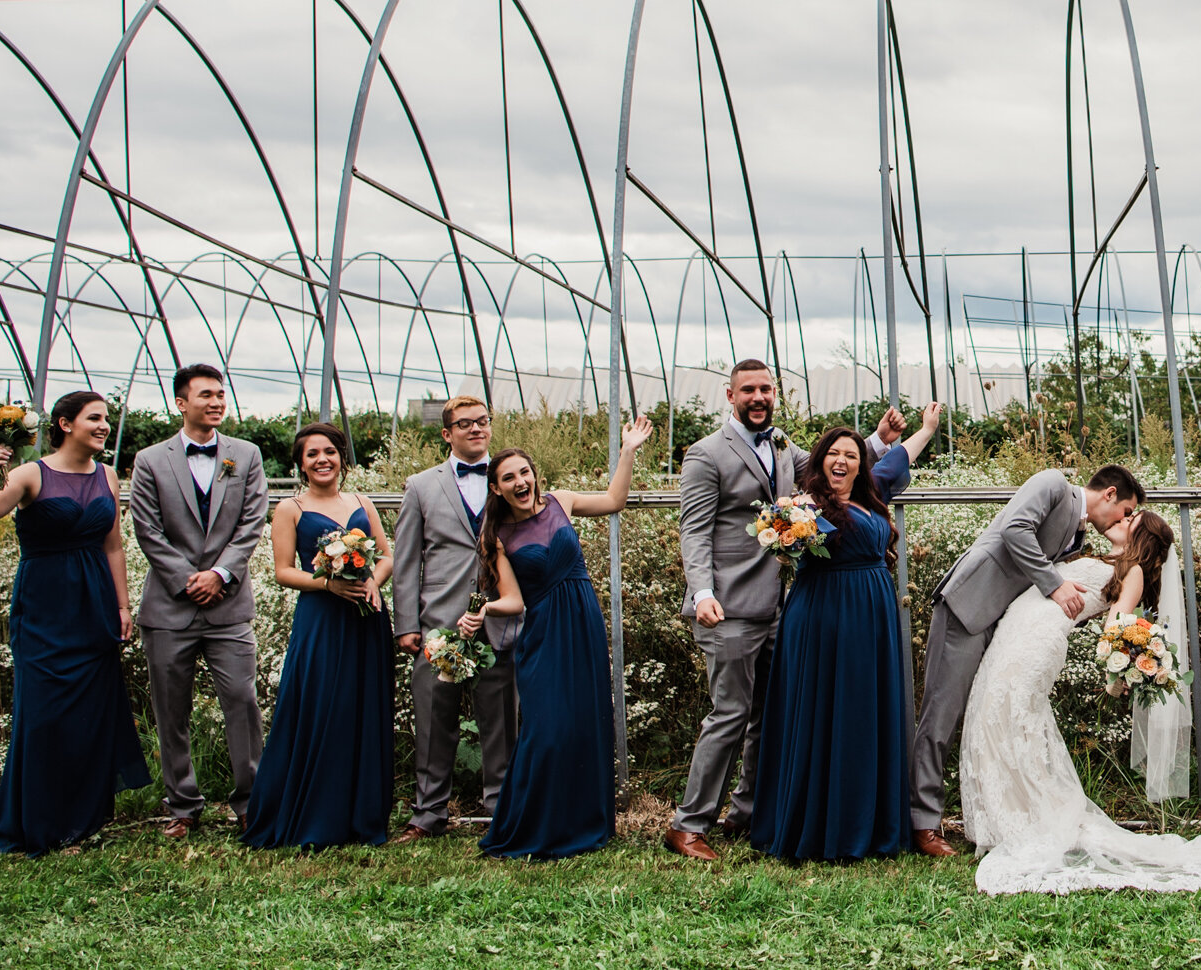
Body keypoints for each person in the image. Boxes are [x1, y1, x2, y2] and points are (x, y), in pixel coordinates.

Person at [670, 360, 940, 861]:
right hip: (728, 603)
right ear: (730, 395)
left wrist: (878, 440)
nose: (758, 397)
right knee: (729, 713)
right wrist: (702, 591)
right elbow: (694, 531)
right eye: (748, 389)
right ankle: (689, 824)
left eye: (766, 389)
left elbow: (834, 469)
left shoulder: (782, 446)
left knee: (771, 717)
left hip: (785, 605)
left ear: (775, 394)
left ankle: (749, 811)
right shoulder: (706, 454)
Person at [959, 508, 1201, 893]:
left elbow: (1116, 627)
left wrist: (1115, 674)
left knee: (1011, 720)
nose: (1119, 522)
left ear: (1141, 539)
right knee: (997, 717)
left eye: (1129, 522)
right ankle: (1015, 817)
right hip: (1020, 628)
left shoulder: (1134, 572)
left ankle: (1023, 822)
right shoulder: (1110, 560)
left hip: (1037, 640)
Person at [910, 462, 1143, 855]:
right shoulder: (1053, 483)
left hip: (1000, 623)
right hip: (969, 606)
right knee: (941, 714)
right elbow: (1015, 528)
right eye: (1126, 510)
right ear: (1109, 494)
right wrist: (1054, 586)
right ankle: (921, 822)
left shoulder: (1080, 532)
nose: (1125, 519)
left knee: (983, 714)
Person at [0, 390, 150, 854]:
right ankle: (37, 822)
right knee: (43, 718)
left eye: (106, 419)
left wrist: (123, 607)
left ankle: (79, 824)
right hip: (44, 607)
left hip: (95, 605)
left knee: (88, 717)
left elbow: (113, 545)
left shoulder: (107, 475)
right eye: (95, 418)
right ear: (65, 424)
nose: (105, 426)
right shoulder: (30, 474)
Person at [471, 417, 651, 860]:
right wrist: (486, 609)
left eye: (524, 472)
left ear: (535, 475)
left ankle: (584, 823)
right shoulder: (499, 537)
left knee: (584, 726)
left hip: (583, 626)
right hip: (545, 633)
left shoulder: (561, 502)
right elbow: (513, 600)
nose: (520, 481)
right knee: (546, 730)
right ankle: (533, 824)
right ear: (496, 489)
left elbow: (614, 500)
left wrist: (627, 449)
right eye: (508, 477)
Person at [748, 427, 915, 861]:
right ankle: (822, 825)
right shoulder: (805, 506)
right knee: (826, 712)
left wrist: (927, 429)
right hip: (826, 617)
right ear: (820, 459)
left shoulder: (871, 494)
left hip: (871, 619)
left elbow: (899, 458)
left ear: (863, 465)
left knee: (863, 712)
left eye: (852, 456)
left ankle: (868, 819)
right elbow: (791, 557)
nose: (841, 461)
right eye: (833, 454)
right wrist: (790, 533)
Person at [241, 423, 396, 849]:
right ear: (301, 463)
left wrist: (373, 582)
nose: (322, 460)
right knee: (321, 705)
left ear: (342, 458)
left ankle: (360, 815)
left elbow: (385, 556)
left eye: (330, 451)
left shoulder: (361, 501)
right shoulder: (289, 508)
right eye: (313, 454)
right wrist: (328, 583)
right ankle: (313, 813)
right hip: (322, 619)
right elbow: (283, 570)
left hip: (366, 616)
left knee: (361, 708)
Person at [130, 364, 269, 837]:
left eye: (220, 394)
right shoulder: (150, 460)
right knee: (172, 710)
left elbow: (252, 521)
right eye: (205, 395)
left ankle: (251, 801)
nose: (216, 402)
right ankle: (182, 806)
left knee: (242, 701)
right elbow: (147, 529)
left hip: (229, 607)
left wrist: (220, 575)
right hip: (170, 607)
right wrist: (189, 580)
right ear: (180, 403)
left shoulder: (245, 455)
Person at [388, 394, 519, 844]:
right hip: (438, 625)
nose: (476, 429)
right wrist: (407, 624)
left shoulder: (508, 479)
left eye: (482, 421)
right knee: (433, 721)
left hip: (498, 622)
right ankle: (428, 812)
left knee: (499, 721)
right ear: (447, 433)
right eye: (465, 424)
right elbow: (405, 561)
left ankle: (499, 809)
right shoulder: (421, 486)